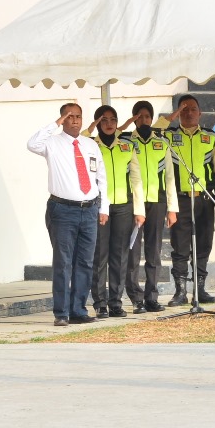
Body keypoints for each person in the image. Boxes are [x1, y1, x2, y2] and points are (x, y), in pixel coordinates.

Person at [27, 103, 108, 327]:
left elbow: (101, 177)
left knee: (85, 262)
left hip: (90, 208)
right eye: (69, 117)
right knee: (63, 262)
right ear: (63, 118)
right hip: (63, 210)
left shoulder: (90, 144)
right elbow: (32, 144)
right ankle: (61, 312)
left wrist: (104, 208)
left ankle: (78, 309)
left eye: (78, 117)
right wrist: (55, 124)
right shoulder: (51, 143)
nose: (75, 121)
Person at [165, 94, 215, 306]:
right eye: (183, 109)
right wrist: (170, 117)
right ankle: (180, 292)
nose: (189, 113)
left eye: (192, 109)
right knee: (180, 247)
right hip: (180, 200)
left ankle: (200, 290)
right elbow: (156, 130)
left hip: (205, 199)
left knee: (204, 244)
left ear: (200, 113)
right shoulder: (168, 136)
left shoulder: (209, 137)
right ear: (178, 114)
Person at [120, 101, 178, 313]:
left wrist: (172, 208)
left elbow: (170, 177)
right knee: (133, 253)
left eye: (147, 116)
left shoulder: (162, 143)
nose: (144, 120)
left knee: (154, 252)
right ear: (134, 118)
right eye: (139, 116)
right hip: (133, 204)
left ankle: (152, 297)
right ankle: (135, 298)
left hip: (157, 202)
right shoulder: (125, 141)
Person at [87, 105, 144, 318]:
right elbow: (81, 138)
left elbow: (136, 179)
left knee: (120, 256)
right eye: (104, 120)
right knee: (99, 255)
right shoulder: (91, 144)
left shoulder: (126, 146)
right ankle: (100, 302)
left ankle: (116, 302)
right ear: (97, 123)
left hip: (123, 207)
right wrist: (90, 128)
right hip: (100, 206)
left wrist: (139, 210)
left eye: (112, 119)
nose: (109, 124)